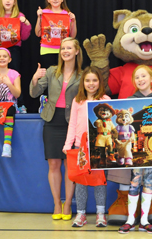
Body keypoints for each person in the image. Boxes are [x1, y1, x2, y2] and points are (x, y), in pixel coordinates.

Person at [30, 38, 82, 221]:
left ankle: (68, 204)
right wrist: (35, 79)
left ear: (76, 51)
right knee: (53, 164)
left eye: (69, 48)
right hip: (52, 121)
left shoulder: (83, 74)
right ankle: (56, 203)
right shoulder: (52, 71)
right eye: (62, 48)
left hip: (72, 122)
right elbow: (35, 93)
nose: (65, 51)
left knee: (69, 165)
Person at [62, 66, 110, 228]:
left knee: (99, 181)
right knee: (80, 181)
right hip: (80, 147)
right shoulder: (78, 100)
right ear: (83, 82)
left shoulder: (105, 99)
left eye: (94, 80)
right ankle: (81, 214)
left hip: (99, 147)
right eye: (88, 80)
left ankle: (100, 214)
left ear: (100, 82)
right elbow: (73, 124)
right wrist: (68, 144)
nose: (91, 84)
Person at [118, 65, 152, 235]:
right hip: (136, 149)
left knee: (149, 181)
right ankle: (131, 220)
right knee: (135, 180)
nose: (140, 80)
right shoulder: (130, 100)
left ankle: (144, 221)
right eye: (137, 77)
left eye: (143, 76)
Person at [0, 0, 32, 87]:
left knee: (14, 74)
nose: (7, 1)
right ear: (1, 1)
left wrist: (26, 23)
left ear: (14, 2)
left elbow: (24, 37)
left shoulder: (19, 16)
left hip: (14, 49)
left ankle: (17, 100)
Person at [35, 0, 78, 68]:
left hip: (63, 50)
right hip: (46, 50)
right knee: (48, 76)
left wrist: (74, 21)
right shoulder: (43, 13)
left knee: (62, 76)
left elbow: (72, 36)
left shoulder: (67, 14)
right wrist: (39, 18)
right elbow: (38, 33)